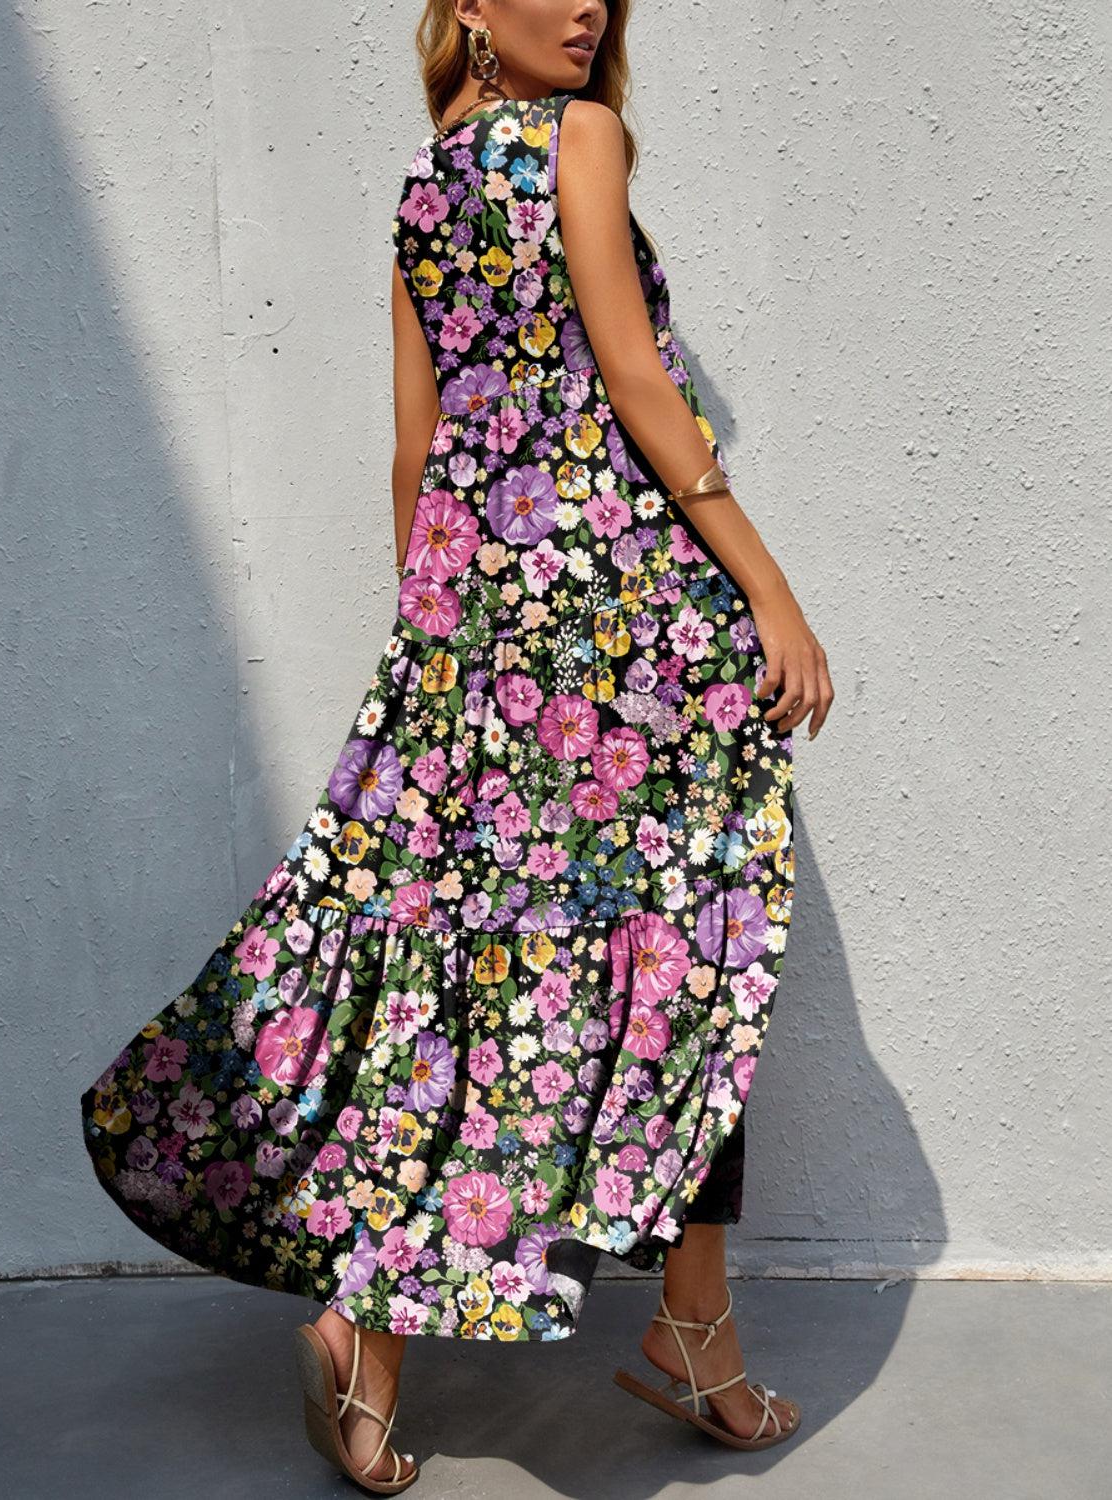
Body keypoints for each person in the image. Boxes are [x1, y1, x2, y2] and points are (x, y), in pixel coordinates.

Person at [80, 1, 833, 1492]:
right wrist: (767, 584)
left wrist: (440, 639)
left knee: (472, 977)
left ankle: (372, 1342)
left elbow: (414, 448)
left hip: (477, 632)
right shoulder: (584, 138)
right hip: (627, 636)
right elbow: (634, 376)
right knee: (688, 964)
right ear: (468, 9)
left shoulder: (430, 180)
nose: (587, 9)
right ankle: (690, 1337)